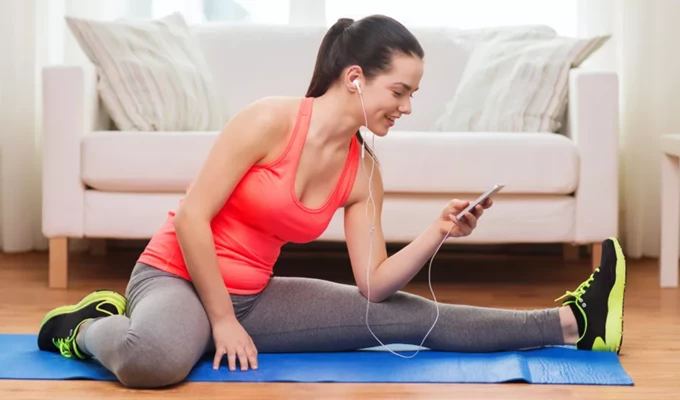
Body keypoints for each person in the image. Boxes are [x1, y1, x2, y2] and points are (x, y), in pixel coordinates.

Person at [37, 15, 627, 389]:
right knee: (156, 363)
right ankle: (87, 326)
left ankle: (574, 321)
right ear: (354, 78)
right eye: (398, 91)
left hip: (255, 297)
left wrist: (437, 230)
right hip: (177, 275)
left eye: (413, 94)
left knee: (409, 319)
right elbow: (192, 216)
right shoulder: (269, 120)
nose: (407, 107)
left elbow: (372, 284)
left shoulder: (364, 170)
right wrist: (219, 321)